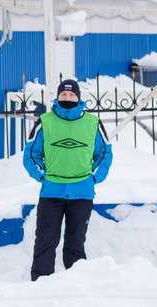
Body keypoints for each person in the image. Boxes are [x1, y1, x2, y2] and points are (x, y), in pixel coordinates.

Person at [22, 78, 113, 279]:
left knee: (75, 243)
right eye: (64, 94)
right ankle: (40, 284)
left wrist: (94, 178)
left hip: (82, 194)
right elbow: (31, 154)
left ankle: (76, 283)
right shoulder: (45, 121)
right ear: (58, 96)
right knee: (45, 242)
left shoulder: (92, 123)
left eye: (72, 95)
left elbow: (105, 153)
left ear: (78, 97)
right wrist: (42, 176)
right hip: (51, 194)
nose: (67, 97)